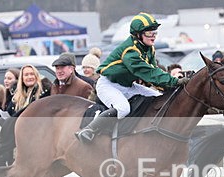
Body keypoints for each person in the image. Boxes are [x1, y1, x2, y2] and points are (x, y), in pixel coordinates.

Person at [75, 13, 181, 143]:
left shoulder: (149, 49)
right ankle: (89, 130)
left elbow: (154, 72)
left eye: (154, 32)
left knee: (158, 97)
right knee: (123, 108)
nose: (153, 35)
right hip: (108, 84)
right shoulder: (130, 51)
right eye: (149, 33)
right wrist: (174, 81)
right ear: (138, 34)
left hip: (127, 85)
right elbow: (149, 73)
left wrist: (171, 87)